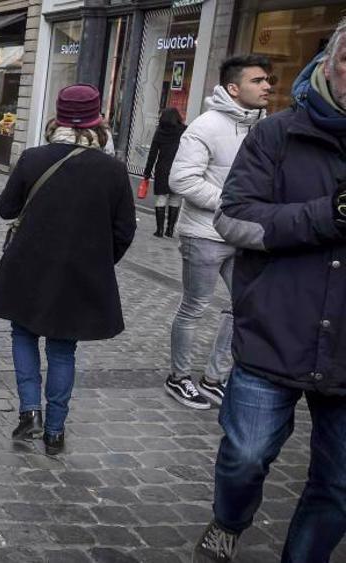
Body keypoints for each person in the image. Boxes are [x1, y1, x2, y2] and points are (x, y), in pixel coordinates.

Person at [192, 25, 346, 562]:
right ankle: (229, 519)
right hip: (275, 331)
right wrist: (326, 216)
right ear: (328, 62)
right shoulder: (276, 134)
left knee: (339, 484)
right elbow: (233, 220)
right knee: (246, 456)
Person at [0, 84, 136, 455]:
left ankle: (30, 412)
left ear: (58, 117)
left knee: (23, 334)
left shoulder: (33, 158)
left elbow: (5, 208)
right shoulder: (113, 170)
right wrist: (98, 260)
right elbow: (124, 231)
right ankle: (54, 431)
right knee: (63, 349)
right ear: (98, 120)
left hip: (29, 265)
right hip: (79, 274)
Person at [164, 55, 272, 410]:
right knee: (194, 306)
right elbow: (182, 180)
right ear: (233, 88)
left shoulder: (263, 126)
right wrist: (232, 204)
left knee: (245, 303)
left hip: (244, 235)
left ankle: (214, 378)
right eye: (258, 80)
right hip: (205, 234)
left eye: (267, 80)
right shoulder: (206, 126)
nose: (267, 86)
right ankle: (178, 377)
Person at [142, 107, 185, 237]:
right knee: (175, 198)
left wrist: (147, 172)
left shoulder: (160, 132)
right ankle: (170, 230)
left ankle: (159, 230)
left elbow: (152, 154)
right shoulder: (184, 130)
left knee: (161, 198)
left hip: (162, 169)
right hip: (178, 169)